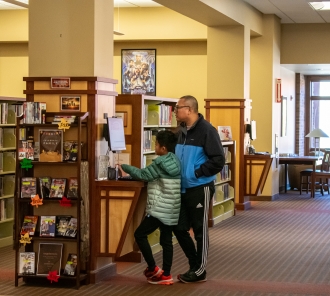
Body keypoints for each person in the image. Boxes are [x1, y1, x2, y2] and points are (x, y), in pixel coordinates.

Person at [173, 95, 225, 283]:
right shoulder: (182, 131)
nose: (175, 111)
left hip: (199, 187)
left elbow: (219, 160)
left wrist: (196, 173)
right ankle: (194, 264)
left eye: (178, 107)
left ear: (189, 109)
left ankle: (200, 270)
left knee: (200, 230)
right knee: (178, 227)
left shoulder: (207, 130)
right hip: (183, 188)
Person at [119, 130, 181, 285]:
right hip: (172, 207)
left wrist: (124, 167)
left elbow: (143, 175)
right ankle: (166, 274)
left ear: (163, 148)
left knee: (140, 234)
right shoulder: (175, 161)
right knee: (166, 240)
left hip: (159, 208)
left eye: (157, 144)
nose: (155, 146)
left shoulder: (160, 164)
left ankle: (153, 268)